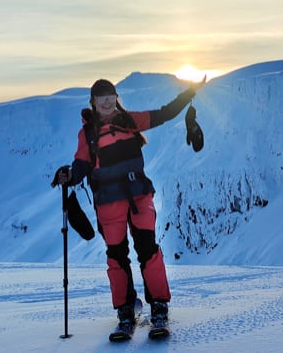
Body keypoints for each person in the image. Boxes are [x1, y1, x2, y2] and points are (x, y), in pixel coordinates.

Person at [54, 77, 204, 341]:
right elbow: (81, 164)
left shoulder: (130, 120)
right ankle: (125, 310)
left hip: (138, 196)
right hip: (109, 202)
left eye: (110, 95)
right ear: (93, 102)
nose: (107, 100)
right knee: (117, 256)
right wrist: (69, 175)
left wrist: (188, 94)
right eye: (101, 97)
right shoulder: (88, 134)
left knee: (148, 249)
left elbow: (163, 114)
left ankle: (159, 305)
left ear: (116, 97)